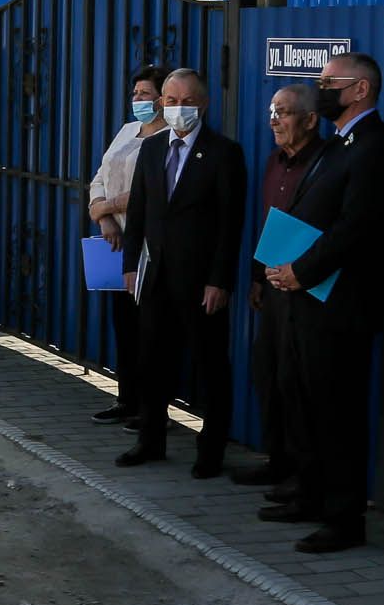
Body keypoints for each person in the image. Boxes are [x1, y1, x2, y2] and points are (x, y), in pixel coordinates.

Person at [263, 51, 384, 554]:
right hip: (306, 298)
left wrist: (301, 271)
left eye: (329, 82)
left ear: (361, 89)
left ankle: (345, 519)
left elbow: (356, 227)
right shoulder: (339, 144)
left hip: (340, 300)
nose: (320, 89)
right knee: (304, 401)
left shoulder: (378, 146)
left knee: (338, 412)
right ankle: (310, 494)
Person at [117, 67, 246, 480]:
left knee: (210, 365)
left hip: (201, 282)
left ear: (203, 105)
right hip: (156, 278)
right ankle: (150, 439)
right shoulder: (153, 149)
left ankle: (211, 450)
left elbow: (231, 223)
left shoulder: (224, 153)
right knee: (153, 361)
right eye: (171, 101)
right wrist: (132, 264)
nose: (178, 108)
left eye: (187, 101)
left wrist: (219, 279)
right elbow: (138, 212)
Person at [237, 84, 326, 497]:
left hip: (305, 287)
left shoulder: (325, 163)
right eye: (272, 111)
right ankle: (277, 460)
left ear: (310, 120)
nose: (275, 119)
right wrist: (257, 277)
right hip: (271, 285)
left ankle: (303, 475)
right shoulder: (275, 161)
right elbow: (268, 221)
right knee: (267, 374)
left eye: (285, 112)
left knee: (297, 383)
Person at [85, 65, 168, 427]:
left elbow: (151, 193)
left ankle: (155, 408)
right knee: (124, 327)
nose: (138, 100)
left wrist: (115, 205)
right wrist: (102, 215)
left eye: (145, 94)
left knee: (152, 331)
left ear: (163, 99)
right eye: (135, 94)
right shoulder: (127, 131)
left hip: (150, 247)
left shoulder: (168, 140)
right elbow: (100, 178)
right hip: (116, 243)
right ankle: (127, 398)